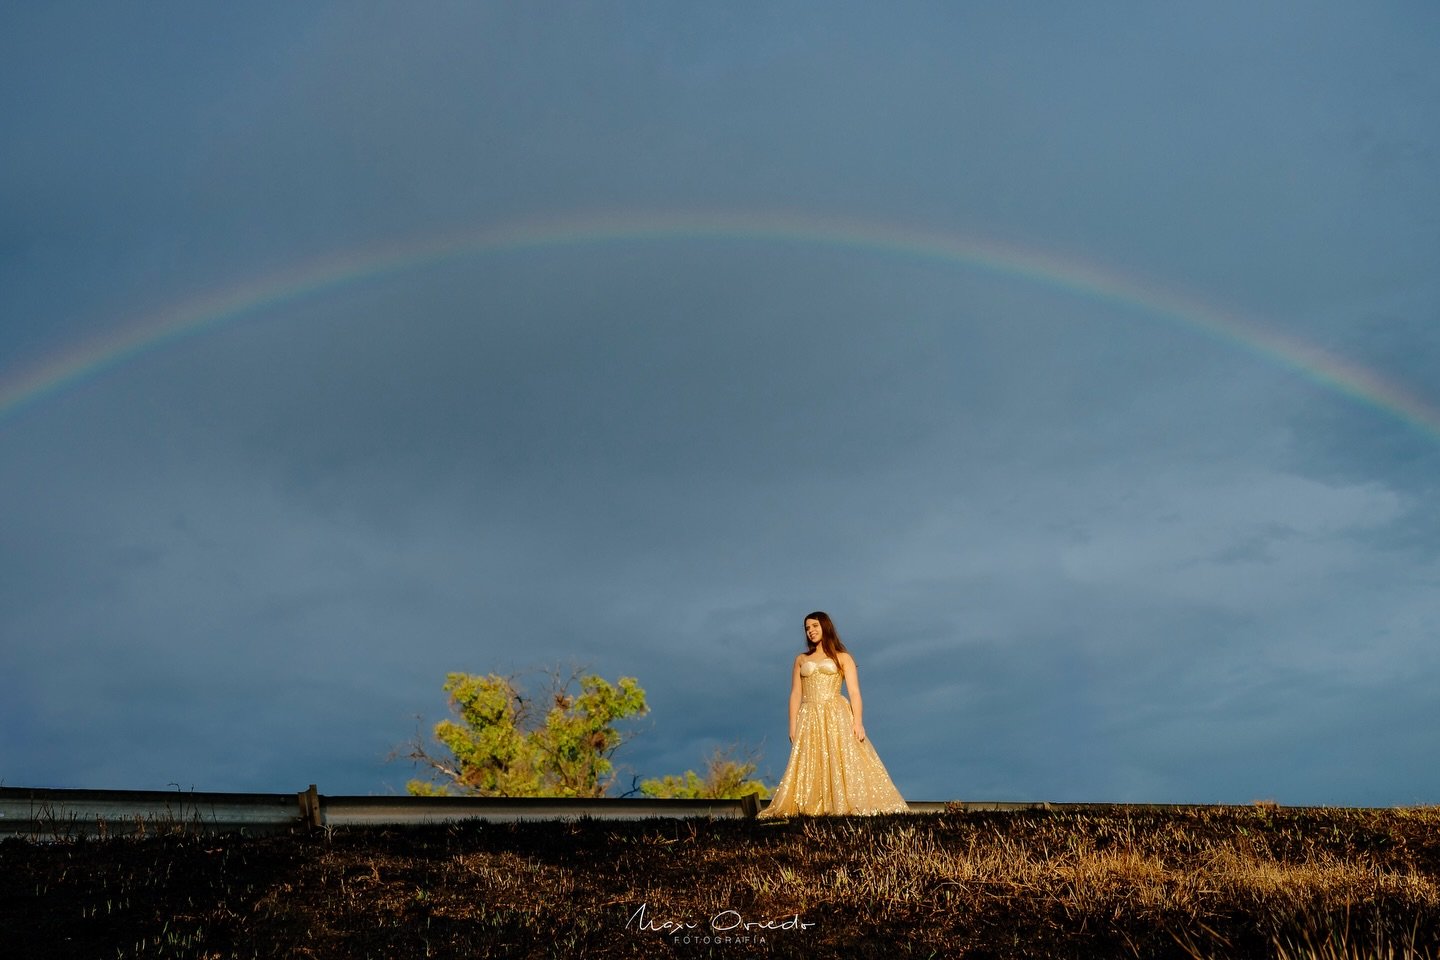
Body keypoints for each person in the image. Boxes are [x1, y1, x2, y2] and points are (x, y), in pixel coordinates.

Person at [757, 611, 909, 817]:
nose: (810, 631)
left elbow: (854, 692)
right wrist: (792, 724)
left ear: (825, 627)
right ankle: (815, 806)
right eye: (807, 628)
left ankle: (845, 805)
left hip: (836, 713)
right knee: (811, 761)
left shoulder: (842, 657)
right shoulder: (801, 660)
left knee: (842, 759)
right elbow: (795, 694)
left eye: (815, 626)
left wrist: (858, 722)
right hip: (809, 714)